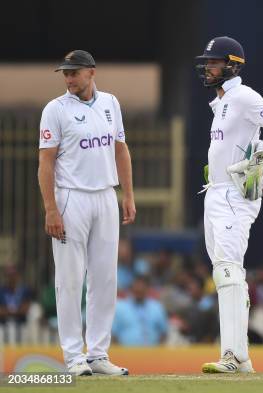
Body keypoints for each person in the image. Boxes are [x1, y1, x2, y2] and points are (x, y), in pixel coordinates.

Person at [195, 36, 263, 373]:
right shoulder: (223, 101)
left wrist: (260, 156)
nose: (208, 68)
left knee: (227, 269)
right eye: (207, 62)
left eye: (214, 62)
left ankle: (235, 357)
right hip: (216, 191)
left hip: (236, 194)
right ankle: (239, 356)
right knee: (226, 272)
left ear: (232, 65)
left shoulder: (243, 96)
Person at [38, 50, 135, 376]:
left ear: (91, 72)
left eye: (74, 73)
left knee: (105, 278)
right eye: (65, 73)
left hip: (105, 196)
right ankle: (73, 357)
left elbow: (120, 149)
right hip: (71, 198)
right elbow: (46, 162)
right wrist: (51, 208)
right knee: (69, 280)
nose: (68, 79)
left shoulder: (111, 103)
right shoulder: (55, 109)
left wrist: (128, 194)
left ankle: (97, 354)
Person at [112, 276, 168, 346]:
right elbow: (113, 334)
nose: (139, 291)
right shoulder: (120, 307)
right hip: (126, 354)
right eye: (137, 290)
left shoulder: (156, 307)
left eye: (142, 289)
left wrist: (159, 353)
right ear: (131, 289)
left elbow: (163, 333)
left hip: (152, 354)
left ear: (147, 289)